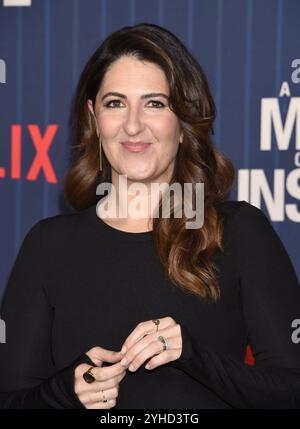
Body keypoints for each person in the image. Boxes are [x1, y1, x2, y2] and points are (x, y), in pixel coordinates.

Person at [1, 22, 300, 409]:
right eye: (116, 103)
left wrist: (194, 356)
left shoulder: (237, 232)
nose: (132, 125)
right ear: (94, 117)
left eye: (155, 103)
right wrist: (64, 393)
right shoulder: (49, 244)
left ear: (183, 123)